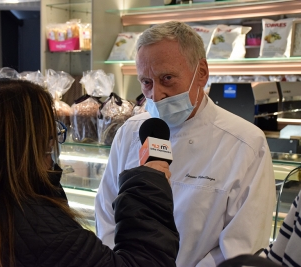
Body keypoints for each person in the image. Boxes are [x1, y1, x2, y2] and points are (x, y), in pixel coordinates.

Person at [0, 78, 179, 267]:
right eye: (50, 135)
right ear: (28, 143)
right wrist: (148, 183)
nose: (53, 144)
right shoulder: (33, 224)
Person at [95, 21, 276, 267]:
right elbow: (106, 215)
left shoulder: (246, 143)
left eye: (167, 78)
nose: (156, 95)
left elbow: (241, 245)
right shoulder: (129, 132)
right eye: (146, 82)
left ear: (201, 72)